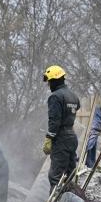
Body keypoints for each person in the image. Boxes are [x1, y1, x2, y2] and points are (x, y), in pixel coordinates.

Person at [41, 65, 80, 193]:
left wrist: (49, 138)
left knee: (55, 177)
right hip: (72, 137)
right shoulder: (73, 96)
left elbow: (54, 120)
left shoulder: (55, 97)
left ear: (54, 80)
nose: (49, 85)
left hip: (61, 138)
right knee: (69, 175)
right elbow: (76, 108)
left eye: (49, 82)